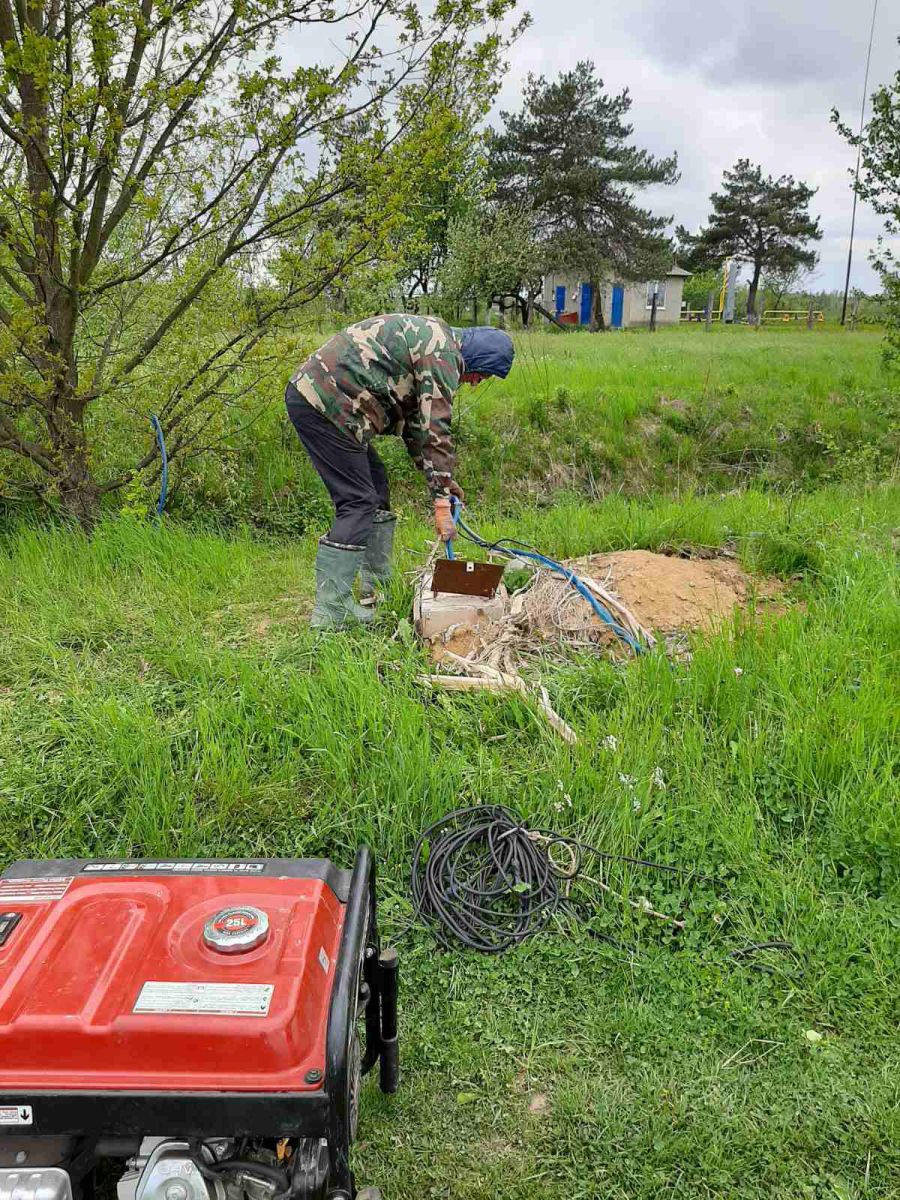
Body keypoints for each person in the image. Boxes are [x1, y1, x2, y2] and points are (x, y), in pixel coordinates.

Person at [285, 314, 514, 629]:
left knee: (376, 489)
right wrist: (440, 504)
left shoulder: (438, 341)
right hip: (325, 403)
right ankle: (331, 614)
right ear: (476, 358)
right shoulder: (443, 353)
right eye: (482, 375)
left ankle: (374, 590)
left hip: (331, 403)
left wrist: (443, 484)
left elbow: (418, 430)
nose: (475, 383)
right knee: (359, 501)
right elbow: (436, 428)